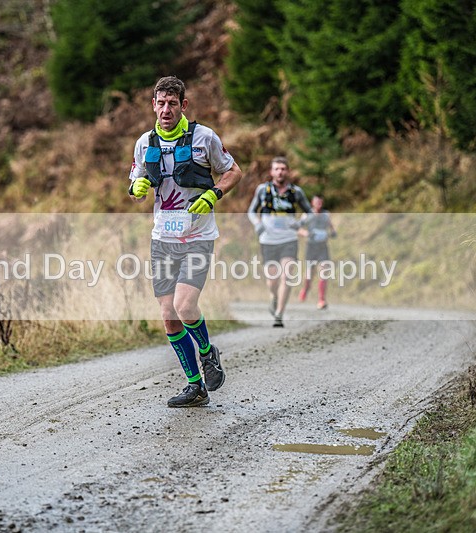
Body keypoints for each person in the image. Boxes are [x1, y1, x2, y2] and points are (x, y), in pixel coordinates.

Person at [128, 75, 243, 408]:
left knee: (185, 305)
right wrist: (135, 188)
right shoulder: (144, 142)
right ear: (153, 104)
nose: (166, 109)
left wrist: (213, 194)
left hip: (197, 236)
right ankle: (196, 386)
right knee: (168, 316)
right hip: (162, 238)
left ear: (184, 105)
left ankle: (207, 352)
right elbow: (136, 176)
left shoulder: (204, 137)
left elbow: (234, 171)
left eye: (172, 103)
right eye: (161, 103)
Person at [247, 157, 311, 327]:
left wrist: (300, 223)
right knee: (272, 280)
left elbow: (309, 211)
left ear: (287, 171)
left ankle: (279, 314)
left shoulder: (296, 192)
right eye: (277, 169)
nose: (280, 172)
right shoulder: (263, 190)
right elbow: (252, 212)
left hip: (289, 239)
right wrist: (258, 224)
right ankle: (274, 297)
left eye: (283, 168)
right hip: (268, 240)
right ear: (271, 172)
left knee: (287, 275)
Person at [298, 194, 336, 309]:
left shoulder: (326, 215)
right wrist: (305, 233)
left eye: (320, 202)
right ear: (312, 203)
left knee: (324, 271)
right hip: (311, 246)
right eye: (316, 202)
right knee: (310, 274)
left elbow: (331, 227)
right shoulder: (307, 215)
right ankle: (305, 289)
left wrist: (333, 233)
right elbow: (298, 228)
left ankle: (321, 299)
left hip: (322, 247)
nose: (319, 204)